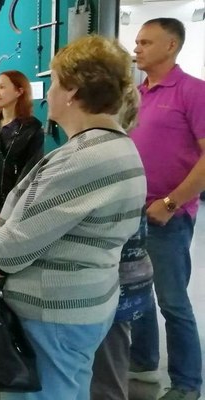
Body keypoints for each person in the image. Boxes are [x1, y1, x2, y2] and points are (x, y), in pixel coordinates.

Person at [0, 35, 147, 400]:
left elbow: (6, 253)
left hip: (52, 316)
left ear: (72, 92)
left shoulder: (82, 159)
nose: (47, 93)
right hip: (83, 305)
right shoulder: (119, 146)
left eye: (53, 82)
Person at [128, 18, 205, 400]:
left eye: (145, 42)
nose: (136, 48)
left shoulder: (194, 91)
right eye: (137, 42)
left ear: (171, 45)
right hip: (132, 213)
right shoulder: (136, 94)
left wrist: (172, 203)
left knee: (172, 302)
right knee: (136, 293)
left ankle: (187, 383)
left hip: (169, 217)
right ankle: (142, 362)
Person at [90, 84, 155, 400]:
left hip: (117, 280)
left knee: (108, 370)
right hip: (122, 277)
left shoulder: (112, 156)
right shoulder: (124, 151)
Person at [0, 70, 44, 231]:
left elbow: (30, 175)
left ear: (19, 91)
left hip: (15, 216)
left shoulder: (33, 129)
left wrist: (10, 212)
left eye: (2, 87)